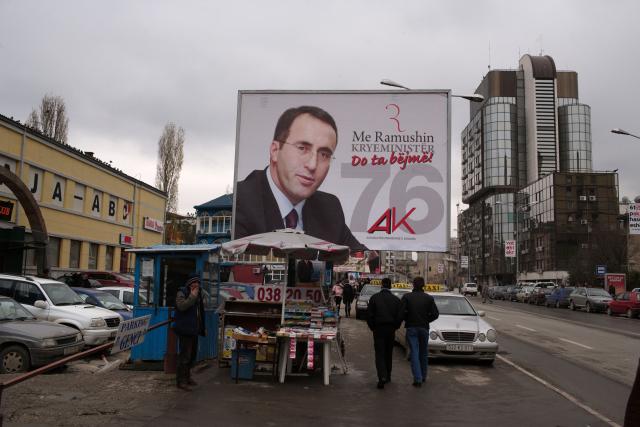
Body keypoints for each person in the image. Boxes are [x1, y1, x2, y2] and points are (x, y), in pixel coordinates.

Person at [234, 105, 366, 252]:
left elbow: (362, 256)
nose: (312, 165)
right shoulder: (239, 202)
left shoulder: (329, 208)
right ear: (275, 151)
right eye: (302, 148)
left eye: (324, 154)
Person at [398, 276, 439, 387]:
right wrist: (426, 320)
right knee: (423, 352)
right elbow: (435, 314)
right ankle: (423, 376)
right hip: (424, 328)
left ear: (413, 285)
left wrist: (406, 319)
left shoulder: (407, 297)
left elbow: (401, 313)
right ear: (423, 285)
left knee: (414, 352)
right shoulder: (429, 298)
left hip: (412, 327)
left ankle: (417, 379)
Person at [366, 277, 401, 389]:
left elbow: (369, 315)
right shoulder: (396, 300)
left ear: (381, 285)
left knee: (379, 353)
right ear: (390, 286)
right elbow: (399, 316)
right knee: (388, 353)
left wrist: (373, 327)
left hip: (378, 329)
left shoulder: (374, 298)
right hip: (391, 329)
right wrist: (395, 326)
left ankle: (382, 377)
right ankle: (388, 375)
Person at [174, 275, 206, 391]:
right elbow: (182, 306)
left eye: (198, 283)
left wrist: (202, 327)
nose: (196, 286)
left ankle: (187, 377)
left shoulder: (198, 294)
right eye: (194, 283)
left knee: (192, 356)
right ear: (189, 284)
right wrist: (192, 296)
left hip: (194, 329)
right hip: (184, 329)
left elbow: (200, 311)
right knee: (184, 357)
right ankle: (181, 381)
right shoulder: (182, 293)